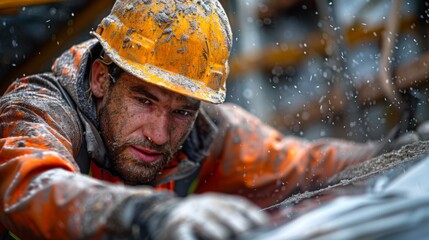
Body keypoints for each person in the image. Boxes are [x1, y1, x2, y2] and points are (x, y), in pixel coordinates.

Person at [0, 0, 413, 239]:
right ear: (100, 79)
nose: (160, 135)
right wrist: (148, 214)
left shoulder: (207, 132)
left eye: (181, 110)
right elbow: (33, 184)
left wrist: (402, 151)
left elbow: (308, 163)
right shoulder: (38, 109)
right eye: (144, 100)